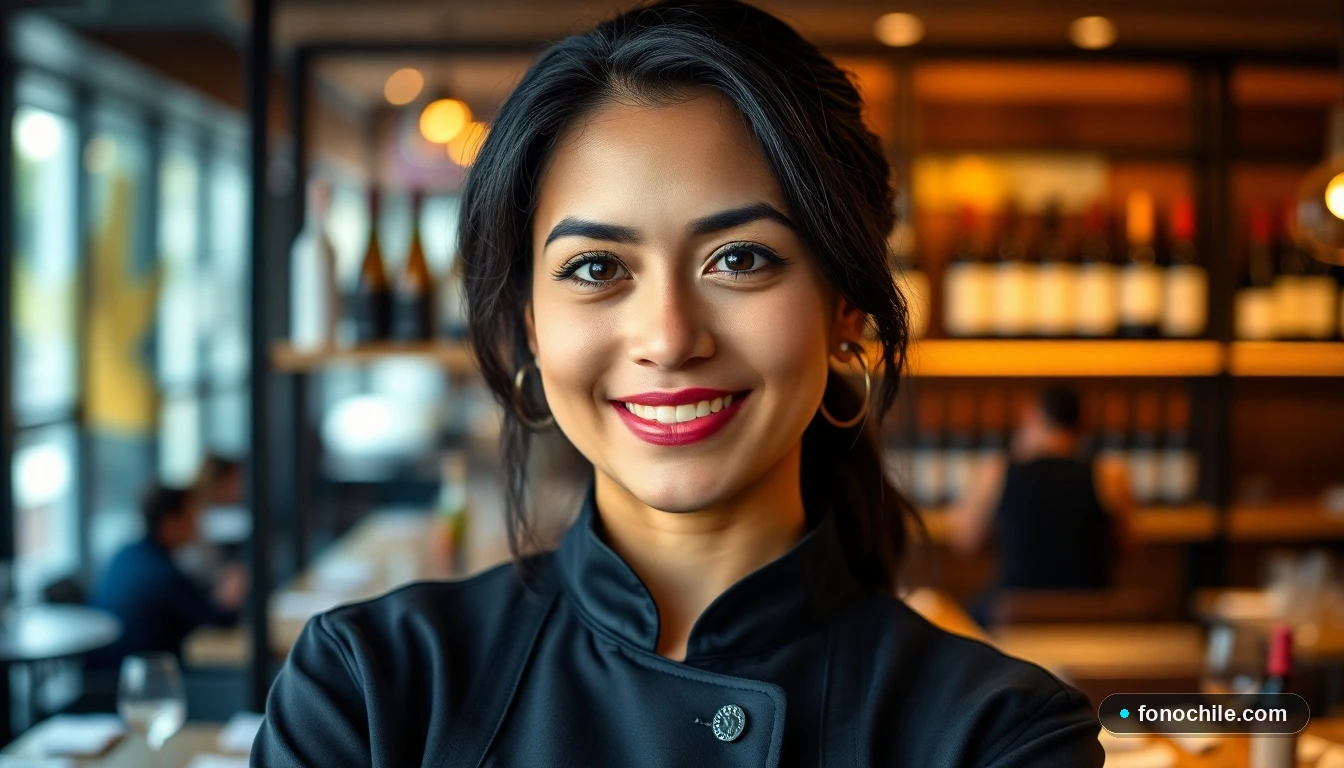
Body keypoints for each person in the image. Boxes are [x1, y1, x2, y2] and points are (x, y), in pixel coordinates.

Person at [253, 2, 1104, 765]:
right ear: (530, 326)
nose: (667, 338)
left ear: (846, 305)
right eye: (595, 268)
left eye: (738, 259)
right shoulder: (369, 693)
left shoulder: (997, 734)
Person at [949, 386, 1136, 626]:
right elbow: (1129, 545)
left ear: (1033, 417)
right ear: (1082, 423)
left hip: (1017, 610)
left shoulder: (999, 472)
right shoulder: (1109, 475)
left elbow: (965, 542)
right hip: (1091, 608)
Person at [87, 485, 247, 670]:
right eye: (191, 516)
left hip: (104, 671)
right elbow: (216, 622)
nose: (197, 524)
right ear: (170, 523)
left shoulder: (125, 554)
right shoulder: (162, 576)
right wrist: (231, 597)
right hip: (135, 680)